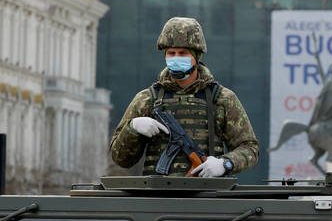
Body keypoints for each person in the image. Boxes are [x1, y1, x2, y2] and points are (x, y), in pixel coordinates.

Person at [109, 17, 259, 177]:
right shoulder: (146, 99)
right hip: (158, 196)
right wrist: (133, 128)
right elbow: (121, 159)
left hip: (206, 196)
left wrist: (226, 163)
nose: (176, 58)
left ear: (197, 57)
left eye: (183, 53)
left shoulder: (222, 98)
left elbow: (250, 148)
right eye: (171, 53)